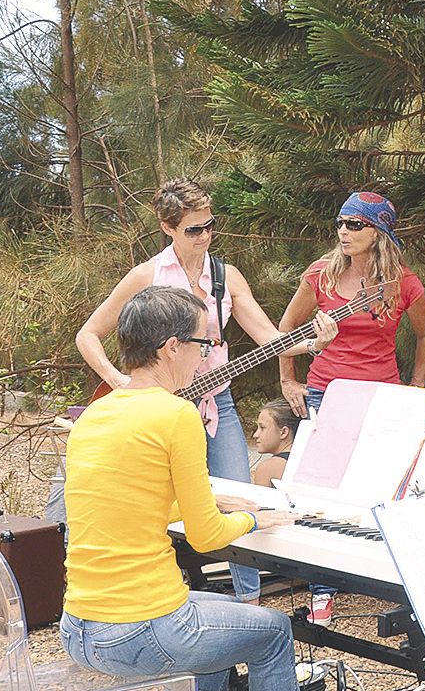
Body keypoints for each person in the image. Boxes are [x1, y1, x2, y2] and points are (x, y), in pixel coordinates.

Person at [60, 287, 348, 691]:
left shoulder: (95, 416)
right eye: (205, 343)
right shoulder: (176, 415)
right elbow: (208, 536)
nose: (210, 355)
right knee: (274, 632)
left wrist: (217, 502)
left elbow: (130, 503)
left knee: (224, 615)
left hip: (80, 624)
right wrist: (254, 515)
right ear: (172, 348)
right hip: (139, 629)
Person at [74, 178, 334, 604]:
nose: (205, 236)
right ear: (167, 227)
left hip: (219, 401)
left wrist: (312, 342)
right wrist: (122, 382)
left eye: (210, 226)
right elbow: (89, 335)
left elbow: (269, 337)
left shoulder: (225, 275)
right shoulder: (146, 276)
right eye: (194, 229)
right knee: (163, 500)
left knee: (239, 494)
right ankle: (175, 594)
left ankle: (247, 602)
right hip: (158, 407)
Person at [277, 190, 425, 624]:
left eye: (355, 224)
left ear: (379, 232)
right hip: (327, 390)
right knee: (323, 491)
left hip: (383, 394)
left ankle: (386, 581)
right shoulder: (321, 275)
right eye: (341, 223)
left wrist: (418, 385)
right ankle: (322, 590)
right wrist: (287, 379)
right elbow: (286, 329)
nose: (344, 232)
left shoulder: (403, 282)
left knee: (384, 490)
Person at [252, 398, 301, 489]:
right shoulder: (308, 463)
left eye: (262, 428)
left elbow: (258, 503)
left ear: (283, 432)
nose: (255, 435)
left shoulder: (267, 468)